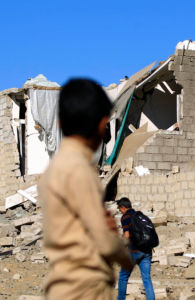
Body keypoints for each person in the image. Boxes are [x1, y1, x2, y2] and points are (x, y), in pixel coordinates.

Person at [38, 79, 134, 300]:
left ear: (60, 123)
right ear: (102, 125)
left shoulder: (54, 169)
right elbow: (102, 236)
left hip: (60, 285)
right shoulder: (80, 170)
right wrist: (127, 256)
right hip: (85, 288)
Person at [116, 197, 155, 300]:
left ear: (123, 207)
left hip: (133, 252)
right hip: (147, 251)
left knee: (123, 277)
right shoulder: (140, 215)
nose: (120, 211)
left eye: (120, 209)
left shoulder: (125, 217)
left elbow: (127, 235)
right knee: (146, 279)